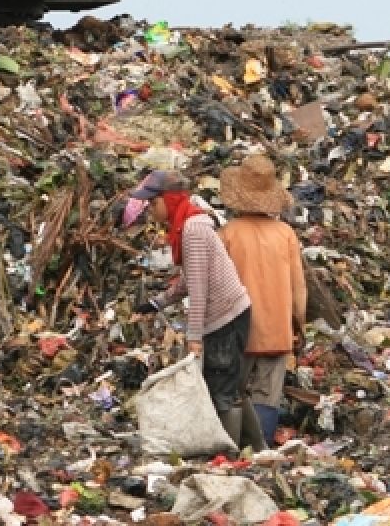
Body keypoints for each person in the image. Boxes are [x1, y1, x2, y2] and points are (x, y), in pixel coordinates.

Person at [129, 170, 258, 447]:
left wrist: (194, 337)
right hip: (229, 313)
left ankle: (231, 457)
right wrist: (157, 303)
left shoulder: (192, 230)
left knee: (221, 389)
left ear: (170, 199)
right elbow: (190, 280)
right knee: (230, 386)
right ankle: (257, 449)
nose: (151, 210)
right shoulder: (185, 225)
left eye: (153, 203)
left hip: (225, 316)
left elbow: (199, 290)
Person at [218, 155, 306, 446]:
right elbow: (298, 291)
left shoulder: (228, 234)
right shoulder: (286, 234)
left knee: (233, 392)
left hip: (237, 330)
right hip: (277, 329)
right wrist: (298, 325)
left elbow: (217, 285)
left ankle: (233, 449)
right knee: (267, 392)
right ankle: (261, 449)